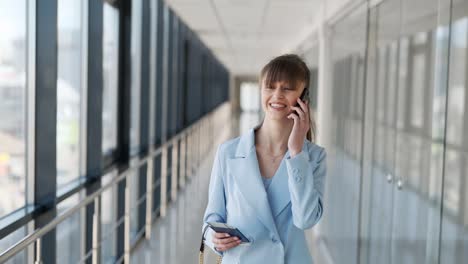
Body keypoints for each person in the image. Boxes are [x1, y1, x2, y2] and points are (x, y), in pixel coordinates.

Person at [201, 54, 327, 264]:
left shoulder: (313, 157)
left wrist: (297, 154)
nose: (277, 95)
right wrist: (215, 240)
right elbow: (210, 220)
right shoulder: (228, 152)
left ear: (303, 98)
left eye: (287, 88)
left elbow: (305, 219)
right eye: (270, 86)